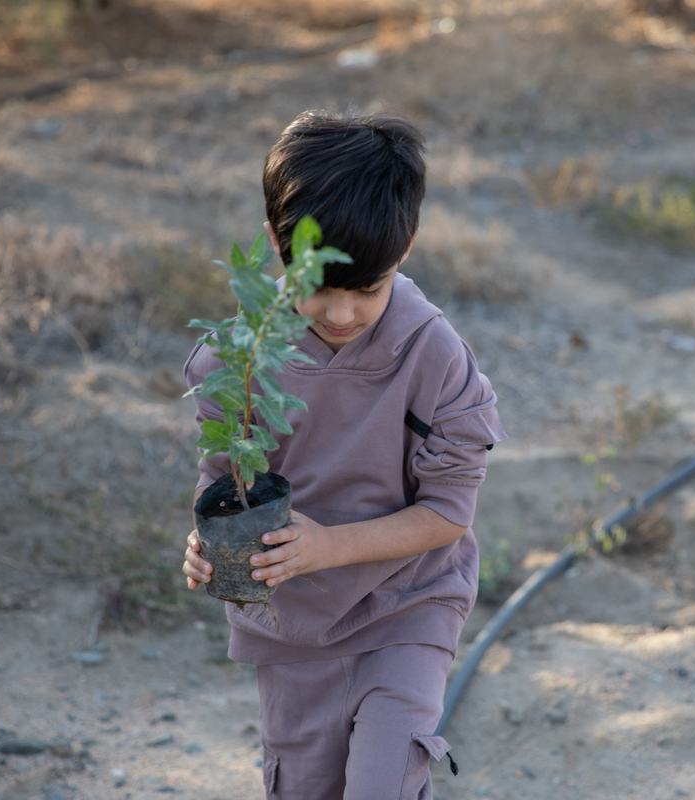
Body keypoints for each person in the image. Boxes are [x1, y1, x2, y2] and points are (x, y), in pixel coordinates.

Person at [182, 111, 506, 800]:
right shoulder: (236, 361)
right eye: (320, 285)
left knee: (381, 780)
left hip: (407, 605)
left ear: (406, 248)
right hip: (294, 626)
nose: (341, 314)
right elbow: (225, 480)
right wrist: (206, 546)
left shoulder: (435, 356)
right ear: (275, 244)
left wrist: (327, 546)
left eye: (368, 288)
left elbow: (447, 513)